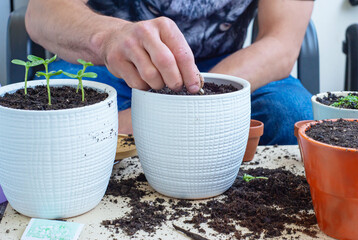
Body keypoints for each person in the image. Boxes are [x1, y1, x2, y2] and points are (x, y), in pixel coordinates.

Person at [25, 0, 314, 145]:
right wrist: (106, 38)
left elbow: (281, 43)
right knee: (47, 121)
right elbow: (41, 12)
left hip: (228, 65)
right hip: (107, 59)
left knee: (290, 113)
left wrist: (189, 101)